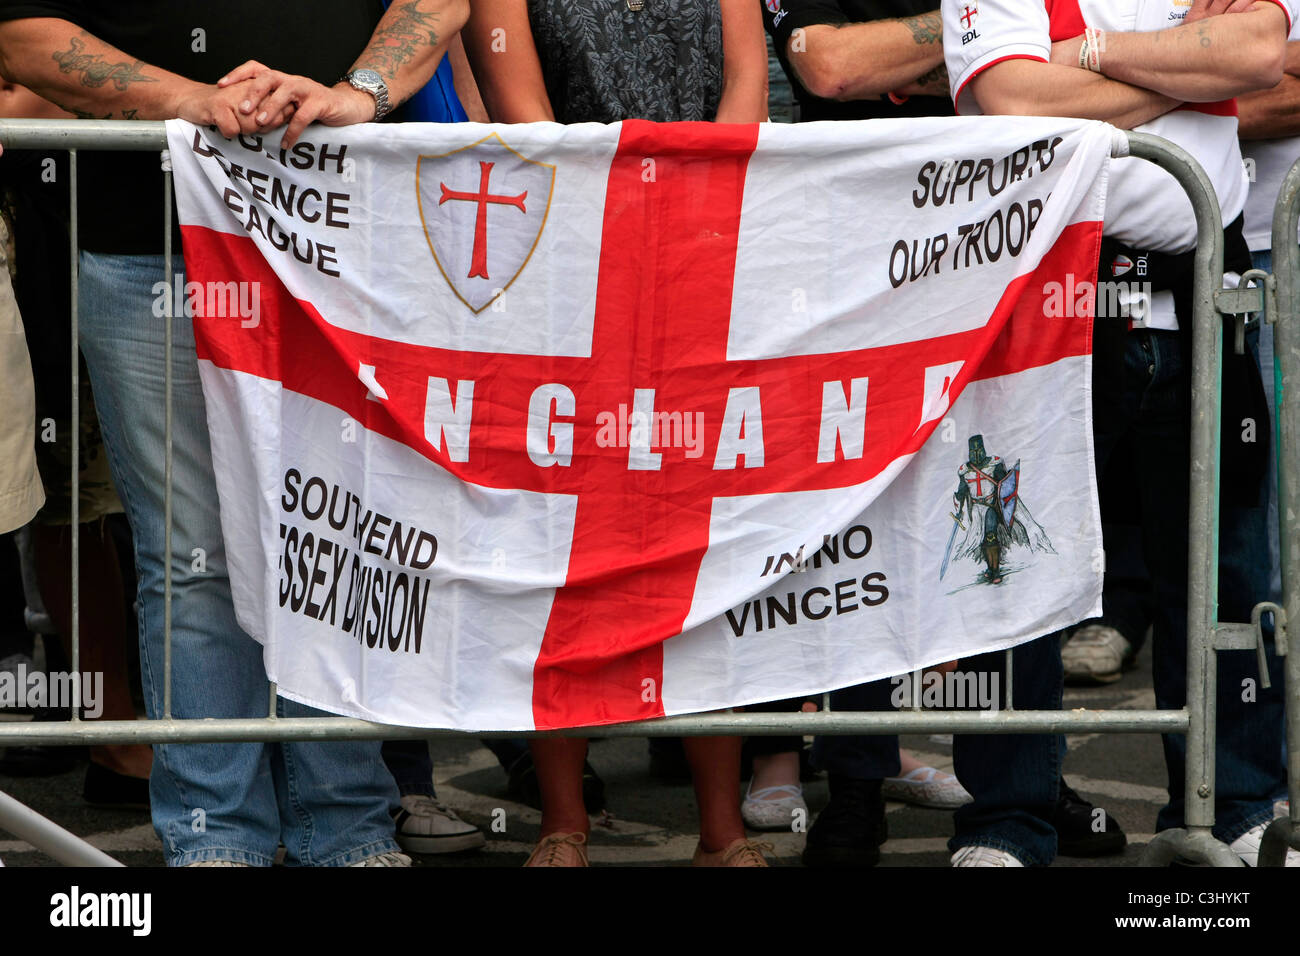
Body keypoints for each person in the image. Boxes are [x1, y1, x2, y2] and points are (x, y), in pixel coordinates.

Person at [0, 0, 470, 866]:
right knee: (189, 554)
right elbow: (23, 35)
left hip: (337, 234)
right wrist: (187, 97)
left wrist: (355, 93)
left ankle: (345, 823)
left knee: (337, 537)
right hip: (148, 242)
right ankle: (218, 836)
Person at [763, 0, 1123, 867]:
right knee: (854, 532)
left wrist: (1004, 64)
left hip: (1009, 262)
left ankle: (1018, 796)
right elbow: (831, 66)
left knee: (1006, 527)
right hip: (855, 277)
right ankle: (855, 783)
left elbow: (1057, 86)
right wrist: (983, 44)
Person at [943, 0, 1296, 865]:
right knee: (1011, 567)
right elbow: (1015, 101)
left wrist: (1092, 58)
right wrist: (1184, 76)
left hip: (1199, 297)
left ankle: (1235, 805)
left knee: (1222, 569)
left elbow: (1256, 57)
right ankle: (1006, 817)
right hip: (1043, 306)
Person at [462, 0, 770, 867]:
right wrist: (628, 207)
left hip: (705, 253)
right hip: (570, 261)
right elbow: (526, 115)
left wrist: (699, 203)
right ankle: (565, 823)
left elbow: (747, 83)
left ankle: (724, 830)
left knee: (699, 545)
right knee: (560, 550)